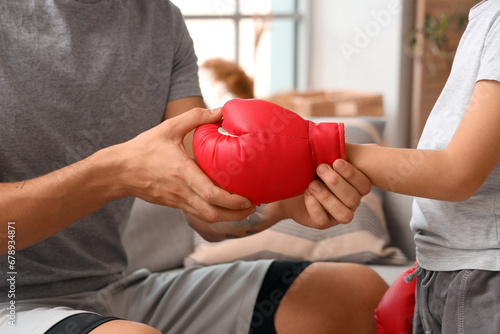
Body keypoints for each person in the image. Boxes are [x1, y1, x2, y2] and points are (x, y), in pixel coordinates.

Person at [0, 1, 388, 333]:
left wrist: (279, 203)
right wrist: (113, 173)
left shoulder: (160, 21)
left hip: (110, 294)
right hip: (13, 305)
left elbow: (206, 209)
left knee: (355, 296)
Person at [345, 1, 500, 332]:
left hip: (482, 276)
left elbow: (457, 174)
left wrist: (323, 148)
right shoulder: (486, 16)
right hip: (453, 268)